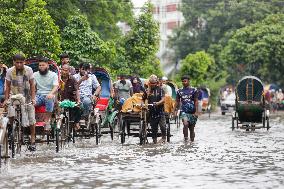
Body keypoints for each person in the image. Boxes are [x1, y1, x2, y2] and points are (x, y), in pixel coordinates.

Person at [4, 54, 36, 151]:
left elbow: (32, 85)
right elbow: (8, 86)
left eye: (21, 62)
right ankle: (11, 131)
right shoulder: (9, 71)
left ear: (24, 62)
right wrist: (6, 99)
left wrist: (33, 99)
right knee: (10, 111)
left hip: (27, 97)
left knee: (31, 118)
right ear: (13, 62)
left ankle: (33, 140)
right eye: (17, 62)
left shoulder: (29, 70)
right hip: (14, 96)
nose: (19, 64)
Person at [34, 56, 59, 131]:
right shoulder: (35, 74)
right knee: (31, 102)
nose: (41, 67)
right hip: (39, 96)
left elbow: (56, 86)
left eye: (43, 65)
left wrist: (51, 93)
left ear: (47, 66)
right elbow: (32, 86)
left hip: (50, 95)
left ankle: (47, 121)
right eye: (40, 65)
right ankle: (32, 121)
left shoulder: (53, 75)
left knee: (49, 98)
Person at [175, 75, 198, 142]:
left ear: (188, 81)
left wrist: (196, 112)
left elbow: (196, 101)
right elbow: (177, 101)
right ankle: (185, 139)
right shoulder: (179, 91)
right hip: (183, 111)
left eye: (185, 81)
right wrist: (174, 110)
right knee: (185, 124)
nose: (183, 82)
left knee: (191, 129)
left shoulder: (194, 90)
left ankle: (192, 142)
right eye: (182, 81)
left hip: (192, 112)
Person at [145, 75, 166, 144]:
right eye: (151, 83)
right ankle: (154, 142)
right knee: (154, 129)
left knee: (163, 126)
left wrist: (158, 103)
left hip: (160, 111)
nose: (152, 85)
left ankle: (163, 138)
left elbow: (163, 99)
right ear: (149, 83)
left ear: (156, 83)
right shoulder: (147, 91)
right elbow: (143, 99)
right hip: (151, 112)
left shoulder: (161, 89)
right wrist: (144, 105)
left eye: (154, 83)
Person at [60, 64, 81, 130]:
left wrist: (78, 100)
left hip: (71, 100)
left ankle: (76, 122)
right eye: (63, 70)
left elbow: (77, 90)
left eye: (66, 70)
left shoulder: (72, 79)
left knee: (78, 107)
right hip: (60, 100)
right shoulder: (58, 79)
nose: (64, 72)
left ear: (69, 71)